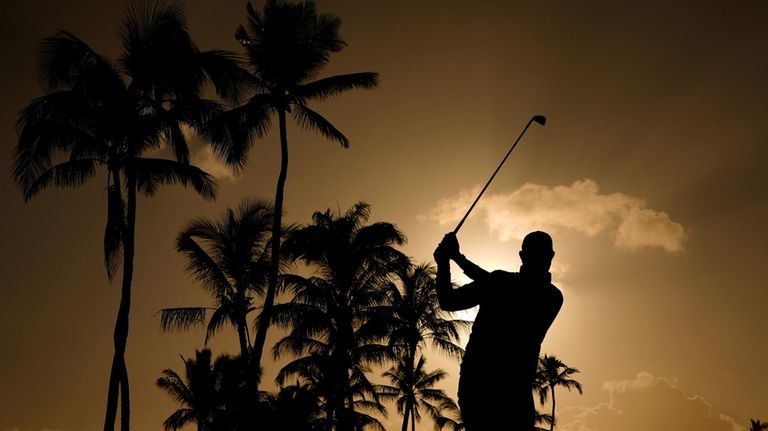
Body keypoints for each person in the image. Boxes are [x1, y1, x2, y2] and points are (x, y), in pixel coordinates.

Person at [433, 231, 563, 431]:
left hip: (484, 385)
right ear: (552, 256)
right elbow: (495, 285)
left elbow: (453, 298)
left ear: (522, 256)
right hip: (505, 390)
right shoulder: (552, 296)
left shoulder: (549, 296)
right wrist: (454, 258)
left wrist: (449, 260)